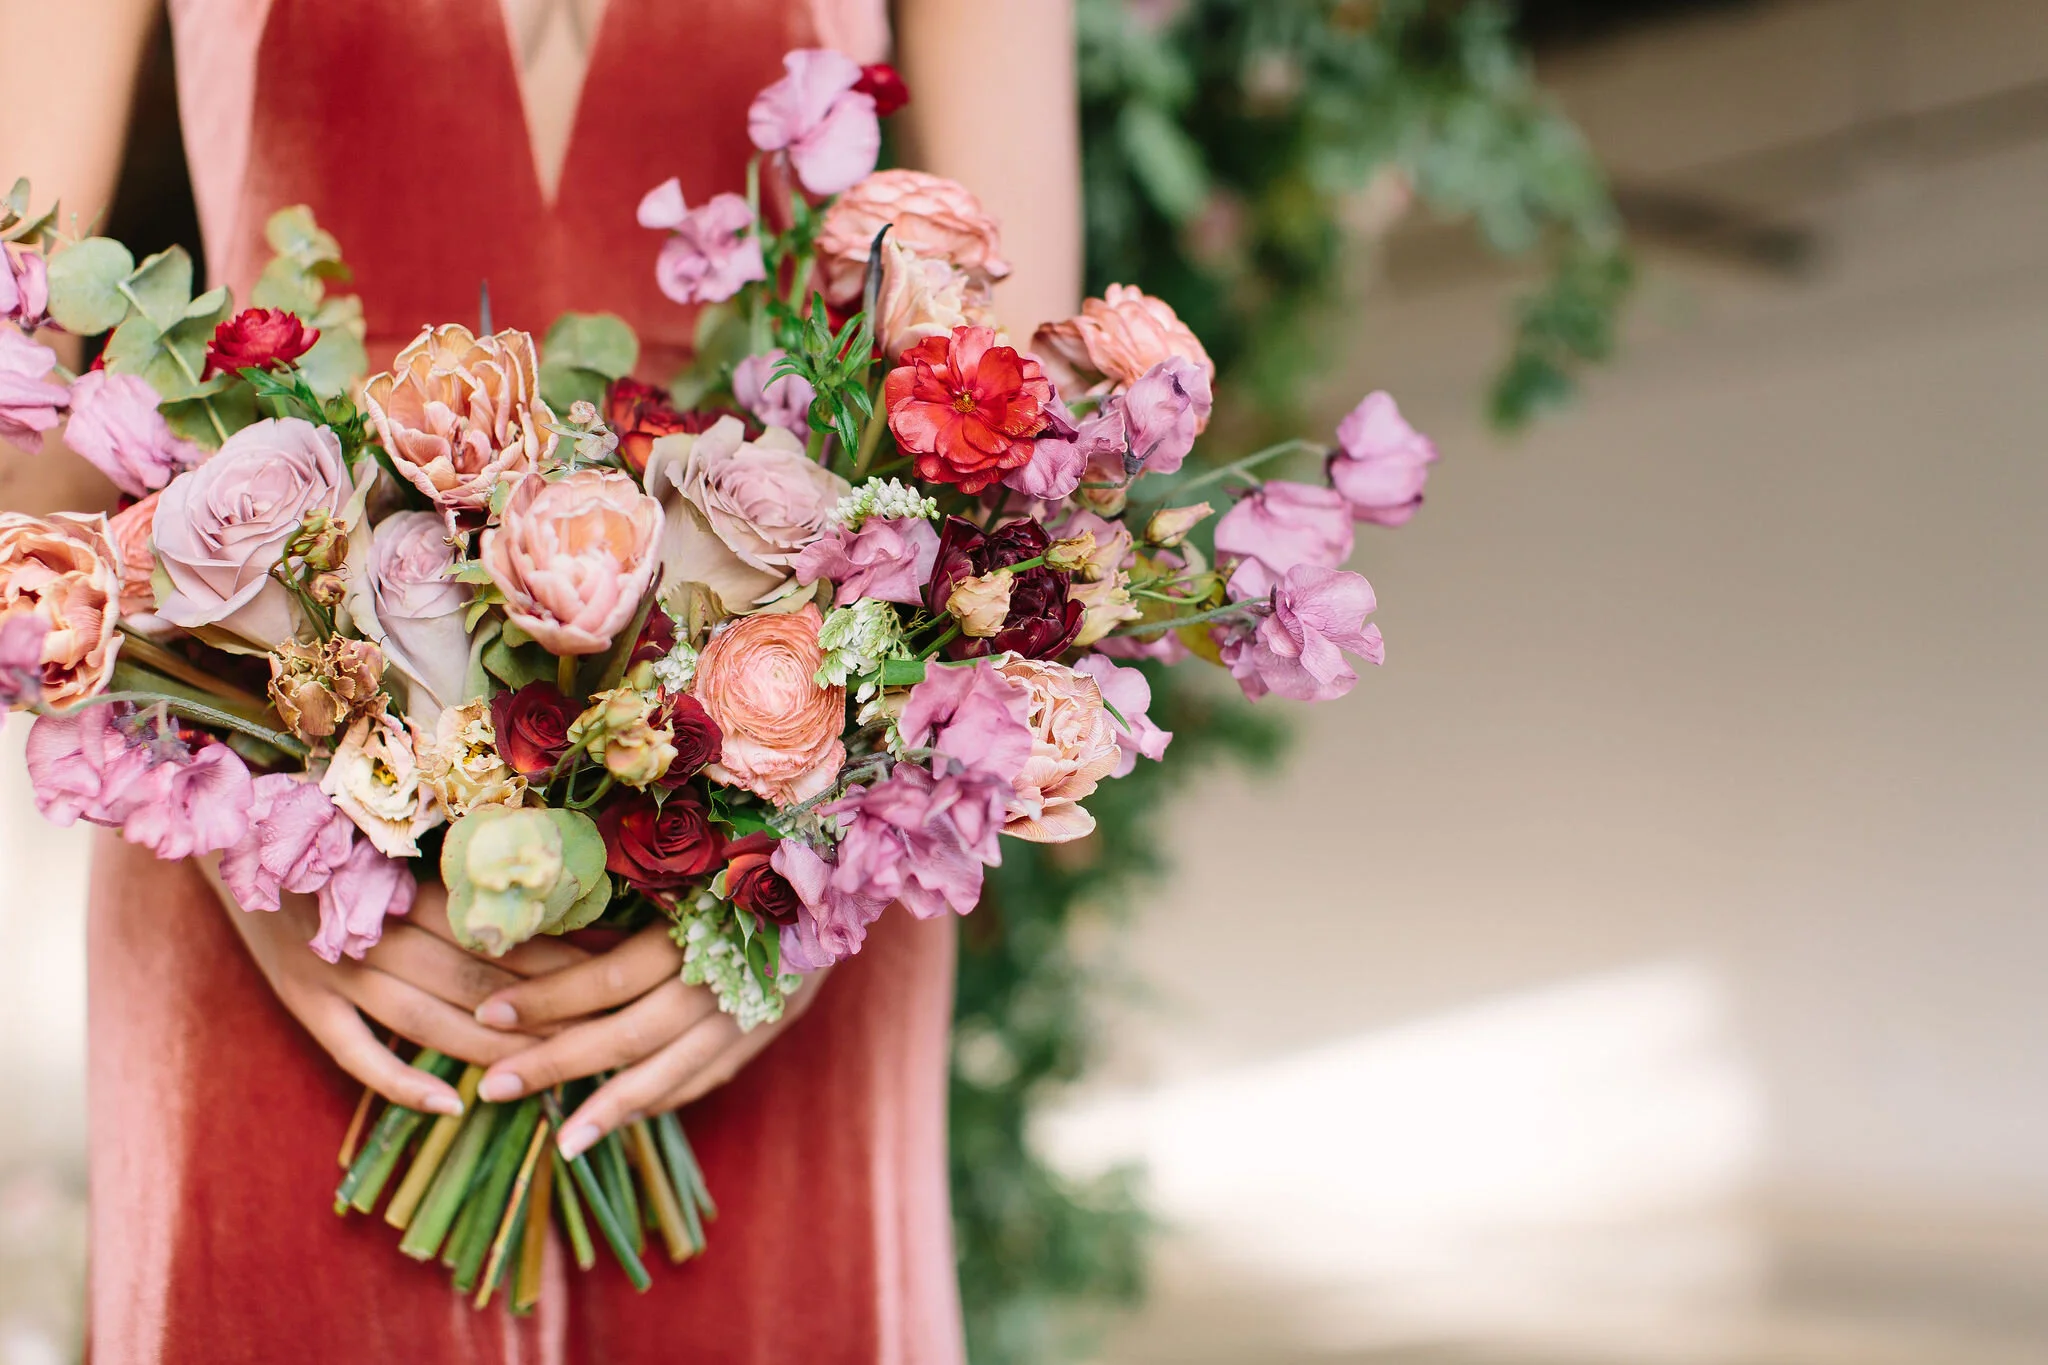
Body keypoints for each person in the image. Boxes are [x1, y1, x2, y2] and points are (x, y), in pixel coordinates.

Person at [0, 1, 1080, 1360]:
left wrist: (797, 885)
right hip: (285, 839)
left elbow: (1021, 400)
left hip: (787, 823)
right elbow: (10, 393)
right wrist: (242, 806)